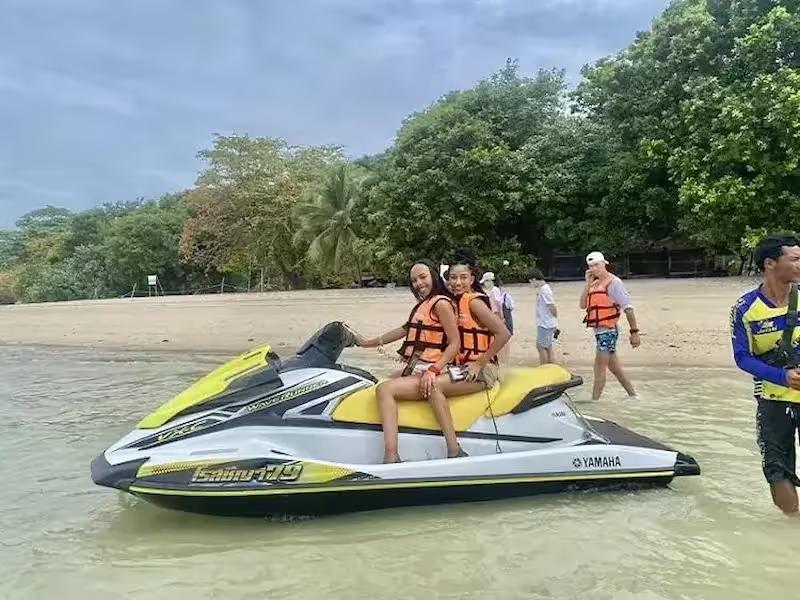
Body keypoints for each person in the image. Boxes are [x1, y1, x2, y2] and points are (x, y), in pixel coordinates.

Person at [353, 260, 462, 463]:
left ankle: (391, 455)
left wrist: (434, 370)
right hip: (417, 368)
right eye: (414, 280)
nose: (418, 283)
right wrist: (367, 343)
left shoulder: (441, 304)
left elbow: (454, 344)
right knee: (380, 380)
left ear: (434, 276)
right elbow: (404, 330)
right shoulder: (424, 305)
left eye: (423, 277)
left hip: (431, 372)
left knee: (384, 390)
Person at [730, 233, 800, 514]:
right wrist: (782, 377)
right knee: (776, 467)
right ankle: (792, 528)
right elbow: (742, 358)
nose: (799, 264)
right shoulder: (745, 309)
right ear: (770, 263)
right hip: (772, 399)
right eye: (794, 259)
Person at [420, 255, 512, 450]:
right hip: (463, 367)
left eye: (463, 277)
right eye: (453, 278)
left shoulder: (473, 302)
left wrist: (479, 363)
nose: (457, 282)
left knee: (434, 386)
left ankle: (454, 449)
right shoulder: (454, 302)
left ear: (472, 279)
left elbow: (504, 333)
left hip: (483, 369)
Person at [579, 251, 640, 400]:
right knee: (615, 368)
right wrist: (587, 283)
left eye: (596, 265)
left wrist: (634, 332)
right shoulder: (593, 284)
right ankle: (633, 396)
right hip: (600, 332)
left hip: (608, 332)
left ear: (604, 264)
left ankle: (594, 403)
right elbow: (582, 305)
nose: (593, 269)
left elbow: (628, 308)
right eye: (590, 266)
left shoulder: (614, 283)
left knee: (599, 369)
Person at [481, 271, 514, 365]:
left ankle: (503, 361)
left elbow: (497, 307)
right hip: (500, 318)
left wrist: (498, 320)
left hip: (499, 318)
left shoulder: (494, 291)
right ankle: (503, 361)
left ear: (490, 281)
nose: (485, 284)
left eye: (486, 282)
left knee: (502, 340)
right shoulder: (495, 290)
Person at [529, 268, 558, 364]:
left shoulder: (545, 290)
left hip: (545, 323)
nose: (531, 284)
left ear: (534, 279)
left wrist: (554, 318)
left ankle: (544, 367)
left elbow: (551, 305)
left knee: (541, 346)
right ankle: (550, 366)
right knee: (548, 346)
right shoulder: (544, 289)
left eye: (531, 282)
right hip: (546, 321)